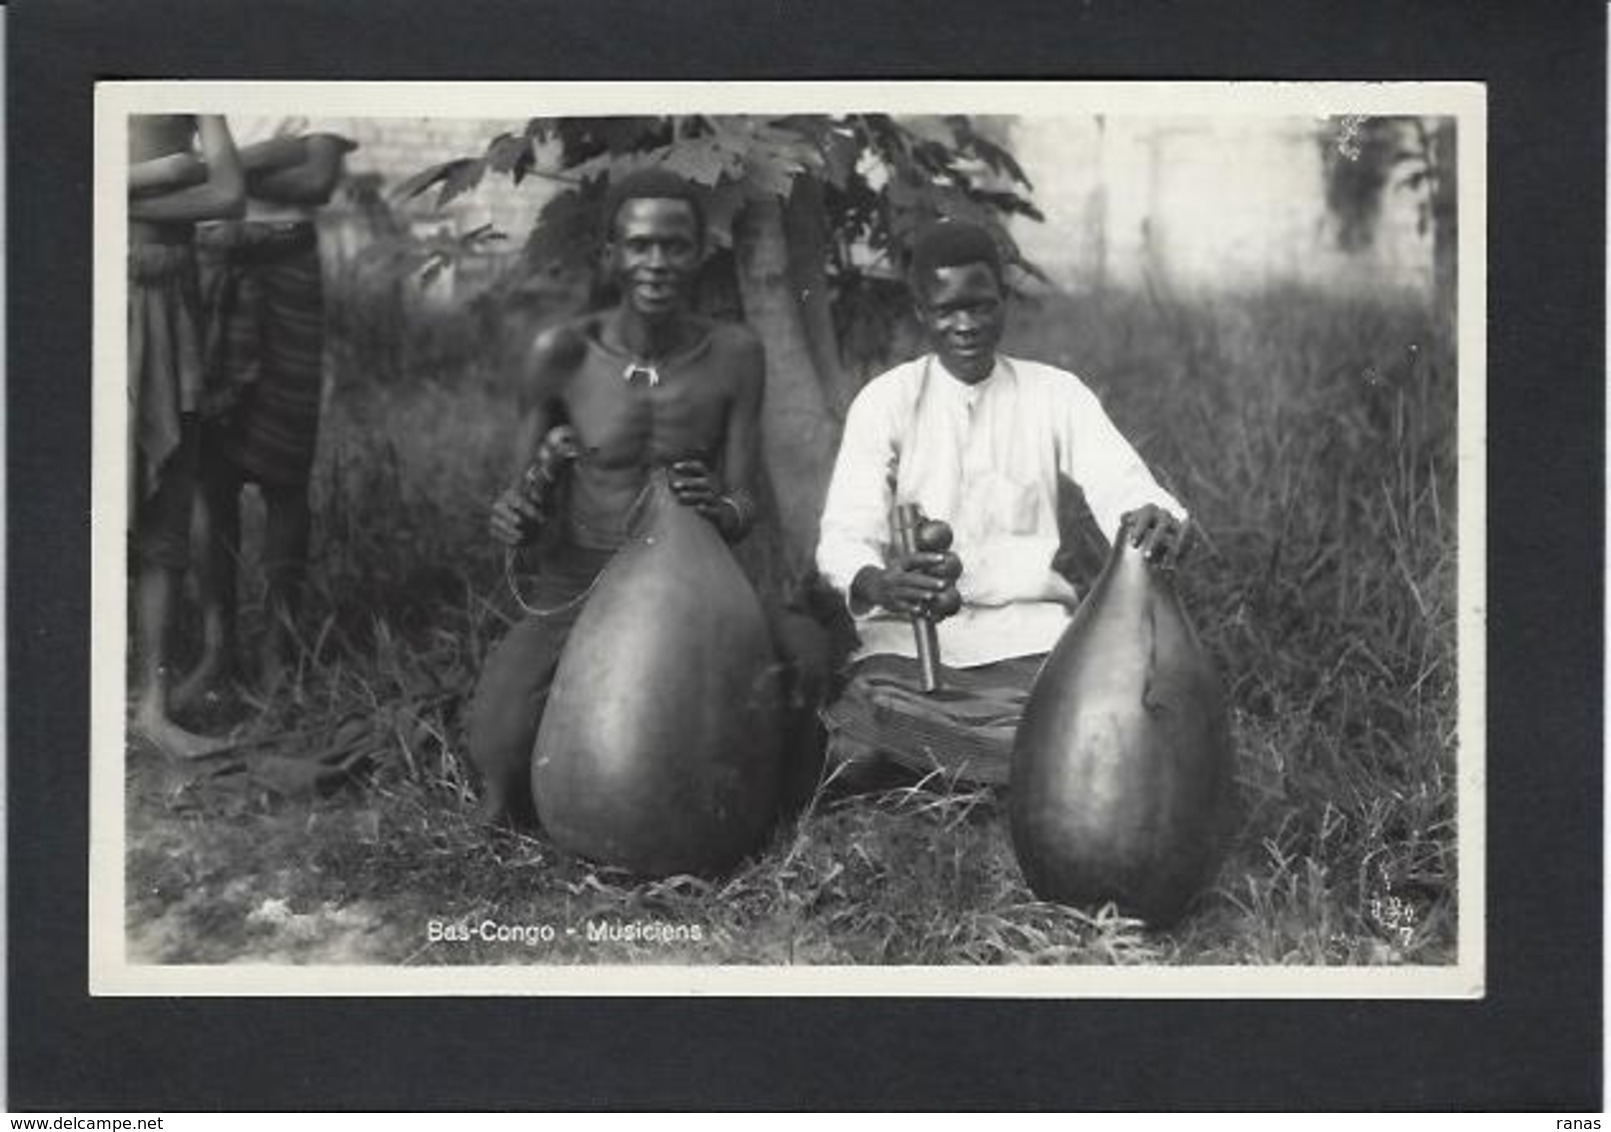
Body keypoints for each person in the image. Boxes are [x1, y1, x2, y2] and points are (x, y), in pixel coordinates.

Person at [467, 168, 826, 828]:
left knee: (806, 657)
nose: (656, 263)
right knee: (499, 745)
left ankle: (769, 808)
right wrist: (517, 511)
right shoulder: (562, 354)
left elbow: (743, 508)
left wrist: (719, 506)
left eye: (673, 246)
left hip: (694, 581)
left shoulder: (734, 354)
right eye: (638, 246)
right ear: (611, 254)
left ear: (698, 254)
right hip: (579, 579)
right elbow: (516, 511)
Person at [814, 220, 1190, 785]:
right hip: (912, 643)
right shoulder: (886, 401)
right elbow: (845, 533)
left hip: (1031, 635)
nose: (966, 325)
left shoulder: (1055, 394)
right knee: (853, 752)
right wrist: (877, 582)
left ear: (1004, 302)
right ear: (921, 311)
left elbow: (1122, 482)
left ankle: (964, 766)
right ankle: (997, 769)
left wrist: (1149, 512)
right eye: (946, 310)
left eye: (982, 306)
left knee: (1097, 728)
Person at [177, 117, 358, 706]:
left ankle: (279, 651)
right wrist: (271, 154)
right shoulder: (197, 73)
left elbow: (316, 181)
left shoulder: (322, 65)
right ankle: (217, 648)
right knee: (211, 476)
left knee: (286, 477)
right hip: (208, 264)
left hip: (286, 269)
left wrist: (220, 166)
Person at [126, 114, 245, 756]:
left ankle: (153, 706)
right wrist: (163, 172)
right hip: (86, 279)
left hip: (168, 287)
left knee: (166, 507)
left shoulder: (193, 77)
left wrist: (113, 188)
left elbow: (228, 193)